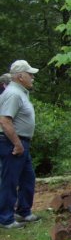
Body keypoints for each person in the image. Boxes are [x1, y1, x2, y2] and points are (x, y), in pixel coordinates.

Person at [0, 60, 40, 229]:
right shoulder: (13, 94)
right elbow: (5, 120)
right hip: (12, 143)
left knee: (27, 178)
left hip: (21, 142)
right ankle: (5, 218)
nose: (32, 77)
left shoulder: (20, 92)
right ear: (20, 76)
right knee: (10, 179)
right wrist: (17, 144)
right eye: (30, 74)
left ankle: (23, 211)